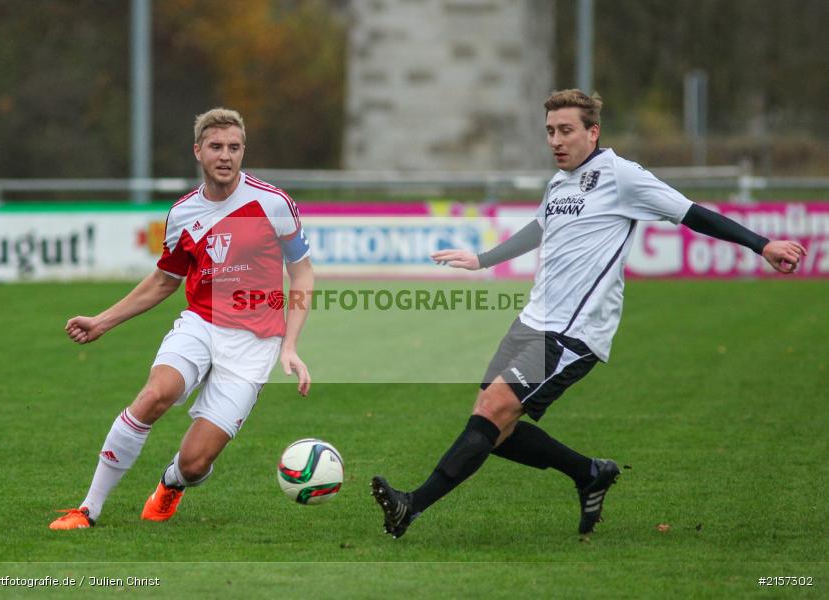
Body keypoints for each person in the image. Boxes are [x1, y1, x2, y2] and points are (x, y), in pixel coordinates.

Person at [371, 89, 806, 538]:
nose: (555, 141)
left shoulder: (622, 176)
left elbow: (691, 213)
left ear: (592, 132)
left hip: (571, 334)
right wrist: (483, 260)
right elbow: (539, 228)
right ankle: (588, 472)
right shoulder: (559, 182)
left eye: (566, 130)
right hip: (532, 321)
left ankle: (411, 507)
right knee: (493, 427)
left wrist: (763, 245)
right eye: (550, 132)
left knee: (492, 410)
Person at [50, 108, 314, 529]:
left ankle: (171, 483)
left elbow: (302, 272)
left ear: (243, 151)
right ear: (198, 151)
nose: (225, 156)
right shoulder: (183, 214)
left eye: (234, 147)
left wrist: (291, 345)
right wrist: (102, 321)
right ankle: (87, 509)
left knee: (194, 465)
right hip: (201, 324)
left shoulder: (273, 203)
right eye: (216, 147)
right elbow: (163, 281)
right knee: (156, 395)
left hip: (254, 344)